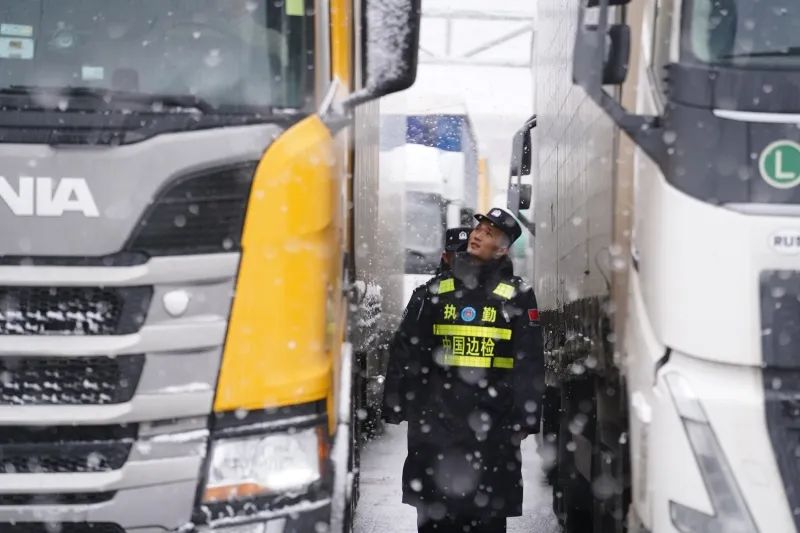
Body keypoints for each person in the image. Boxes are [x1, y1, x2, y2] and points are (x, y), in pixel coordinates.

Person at [382, 208, 545, 533]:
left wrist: (526, 417)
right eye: (478, 228)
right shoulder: (434, 292)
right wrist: (396, 401)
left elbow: (528, 361)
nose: (478, 234)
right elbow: (407, 349)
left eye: (489, 233)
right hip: (438, 426)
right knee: (436, 517)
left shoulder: (517, 296)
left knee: (486, 518)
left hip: (491, 428)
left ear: (502, 249)